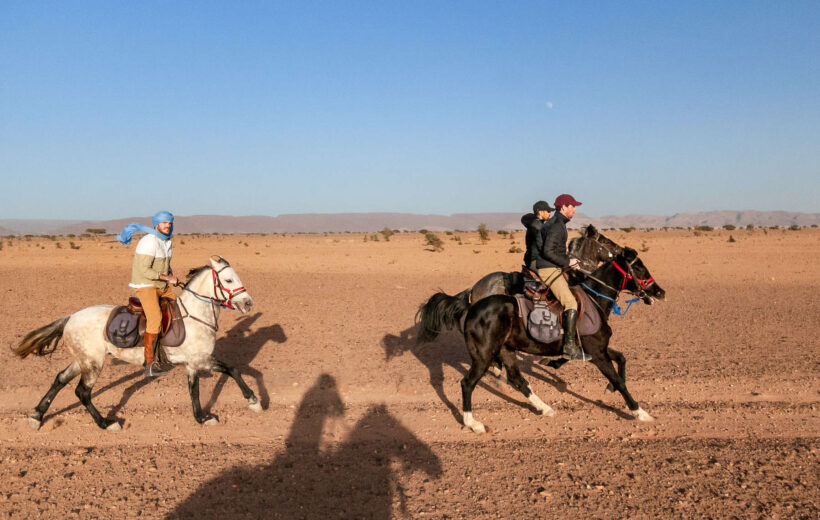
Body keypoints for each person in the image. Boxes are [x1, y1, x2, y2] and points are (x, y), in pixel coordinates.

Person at [115, 211, 179, 377]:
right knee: (155, 319)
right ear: (156, 225)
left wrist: (171, 276)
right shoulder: (149, 241)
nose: (168, 225)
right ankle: (149, 364)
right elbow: (145, 270)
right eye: (165, 223)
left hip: (161, 284)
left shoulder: (167, 241)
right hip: (146, 284)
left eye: (170, 223)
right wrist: (167, 278)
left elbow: (165, 265)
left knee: (178, 311)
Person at [536, 194, 590, 361]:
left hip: (553, 266)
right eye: (572, 206)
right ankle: (569, 347)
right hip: (548, 269)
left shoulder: (557, 224)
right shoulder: (557, 226)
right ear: (563, 207)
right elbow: (548, 252)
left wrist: (571, 262)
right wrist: (568, 261)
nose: (574, 209)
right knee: (571, 302)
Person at [522, 200, 553, 271]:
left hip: (538, 259)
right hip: (535, 260)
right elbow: (542, 246)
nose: (550, 214)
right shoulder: (536, 226)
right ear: (540, 212)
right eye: (548, 211)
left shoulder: (539, 224)